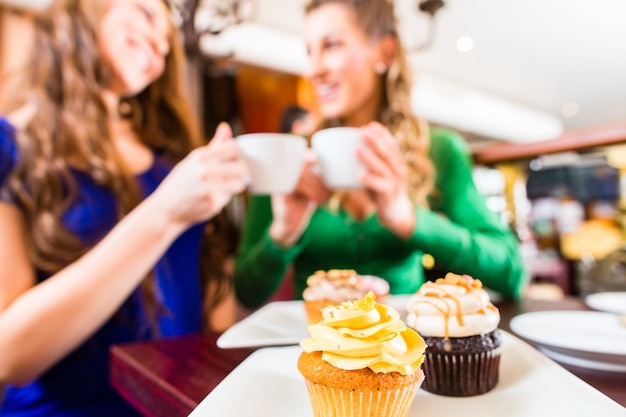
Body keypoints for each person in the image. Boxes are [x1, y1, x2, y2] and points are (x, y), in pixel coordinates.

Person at [0, 0, 248, 415]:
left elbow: (212, 312)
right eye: (147, 14)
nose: (158, 43)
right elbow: (9, 354)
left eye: (168, 46)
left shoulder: (169, 155)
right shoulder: (12, 147)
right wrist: (163, 213)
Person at [233, 0, 528, 310]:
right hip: (314, 348)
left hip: (405, 348)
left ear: (384, 52)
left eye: (331, 45)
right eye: (310, 51)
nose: (314, 69)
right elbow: (246, 292)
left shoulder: (438, 150)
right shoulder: (292, 155)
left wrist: (411, 220)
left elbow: (512, 272)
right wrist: (282, 235)